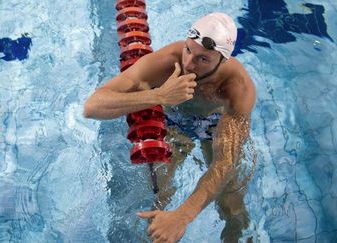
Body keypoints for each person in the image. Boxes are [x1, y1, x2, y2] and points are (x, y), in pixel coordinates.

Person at [83, 12, 257, 243]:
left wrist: (184, 216)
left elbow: (224, 163)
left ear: (223, 60)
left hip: (214, 126)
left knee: (230, 200)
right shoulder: (167, 62)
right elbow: (92, 107)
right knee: (157, 192)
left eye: (203, 59)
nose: (188, 63)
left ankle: (238, 236)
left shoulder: (237, 89)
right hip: (174, 121)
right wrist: (158, 95)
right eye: (188, 50)